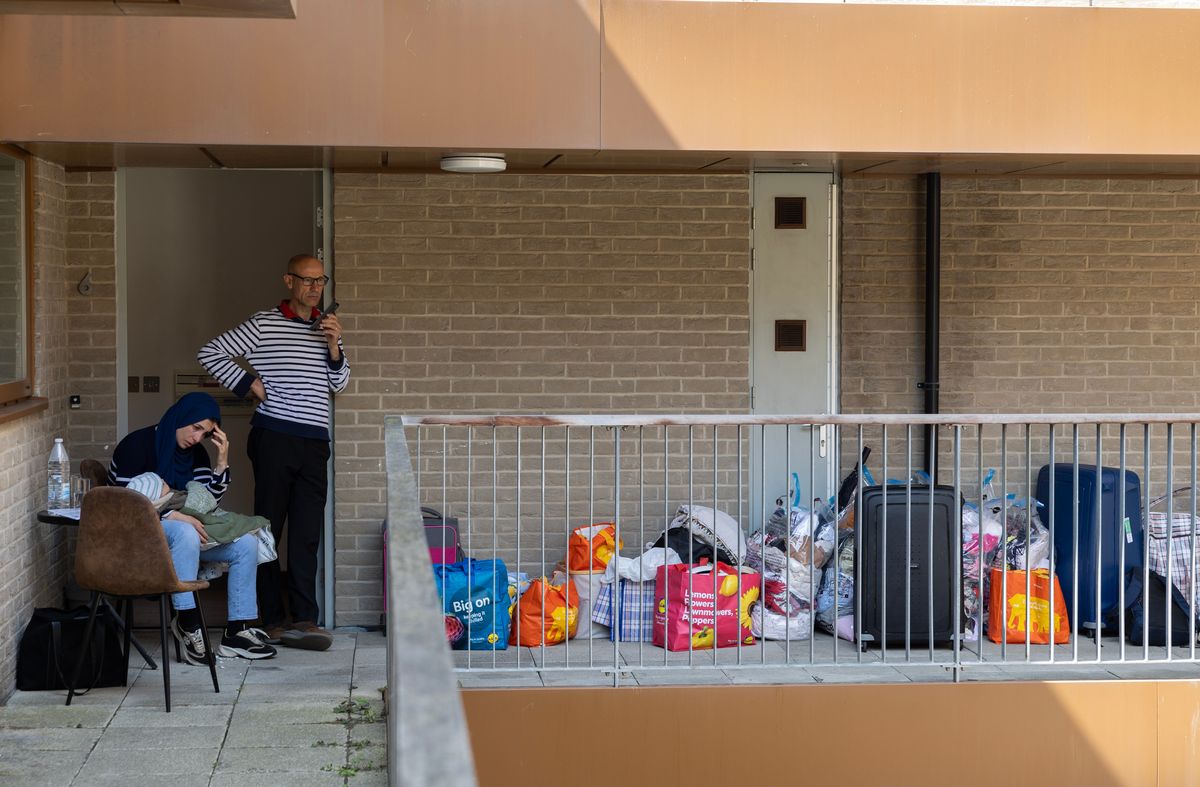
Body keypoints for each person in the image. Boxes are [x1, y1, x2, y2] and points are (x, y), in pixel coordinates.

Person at [198, 253, 349, 651]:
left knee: (306, 533)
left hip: (315, 440)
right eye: (307, 280)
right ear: (288, 281)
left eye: (320, 281)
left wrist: (334, 344)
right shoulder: (265, 323)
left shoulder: (327, 327)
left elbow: (340, 384)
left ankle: (305, 619)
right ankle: (273, 619)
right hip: (275, 436)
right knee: (268, 530)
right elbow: (210, 352)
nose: (315, 287)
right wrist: (249, 384)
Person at [109, 392, 277, 663]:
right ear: (181, 417)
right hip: (137, 536)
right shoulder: (136, 445)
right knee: (185, 530)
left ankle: (237, 631)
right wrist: (173, 516)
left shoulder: (196, 454)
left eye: (206, 433)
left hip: (182, 537)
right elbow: (124, 506)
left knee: (246, 543)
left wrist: (222, 460)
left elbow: (205, 505)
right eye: (196, 427)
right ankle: (188, 623)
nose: (198, 438)